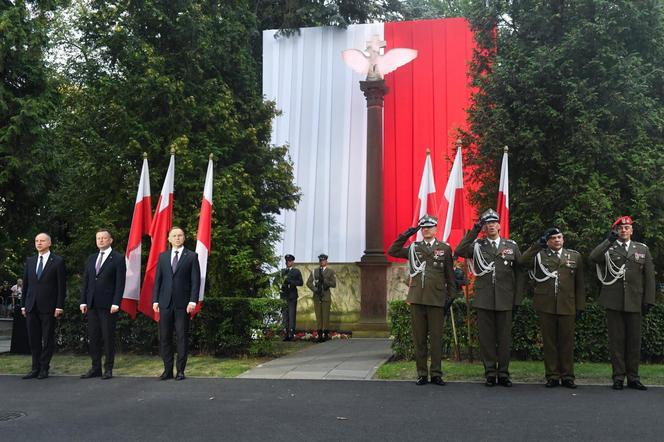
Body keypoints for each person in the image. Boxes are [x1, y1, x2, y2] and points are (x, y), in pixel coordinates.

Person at [455, 209, 523, 387]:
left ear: (499, 225)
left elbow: (519, 273)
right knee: (486, 339)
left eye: (494, 222)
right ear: (484, 227)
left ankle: (504, 373)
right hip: (484, 299)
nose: (491, 225)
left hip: (505, 299)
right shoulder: (478, 245)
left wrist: (517, 299)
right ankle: (490, 373)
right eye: (488, 223)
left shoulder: (511, 246)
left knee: (504, 338)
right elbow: (460, 249)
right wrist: (474, 230)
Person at [388, 215, 457, 386]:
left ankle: (436, 374)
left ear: (435, 229)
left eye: (429, 227)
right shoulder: (413, 247)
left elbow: (450, 275)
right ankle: (421, 374)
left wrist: (451, 297)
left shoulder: (444, 248)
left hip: (436, 299)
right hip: (417, 298)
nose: (426, 229)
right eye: (423, 227)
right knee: (419, 339)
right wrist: (405, 235)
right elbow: (392, 251)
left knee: (436, 339)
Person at [589, 216, 655, 391]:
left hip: (635, 301)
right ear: (616, 231)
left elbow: (649, 277)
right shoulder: (609, 248)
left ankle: (633, 377)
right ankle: (618, 377)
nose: (624, 230)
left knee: (634, 341)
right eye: (620, 228)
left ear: (632, 230)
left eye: (627, 227)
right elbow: (593, 257)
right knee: (616, 341)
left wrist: (649, 300)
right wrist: (608, 241)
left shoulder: (642, 249)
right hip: (614, 300)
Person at [519, 228, 585, 389]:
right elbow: (522, 261)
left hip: (567, 304)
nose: (557, 240)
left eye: (560, 237)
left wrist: (580, 306)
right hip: (546, 305)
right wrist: (537, 246)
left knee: (567, 343)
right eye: (553, 238)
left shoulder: (574, 256)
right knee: (549, 343)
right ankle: (552, 375)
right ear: (547, 241)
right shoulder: (540, 255)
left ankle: (568, 376)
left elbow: (580, 284)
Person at [152, 227, 200, 380]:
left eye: (180, 235)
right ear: (169, 239)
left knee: (181, 337)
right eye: (174, 235)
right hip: (165, 303)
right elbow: (158, 280)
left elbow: (195, 281)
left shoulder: (192, 256)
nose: (177, 238)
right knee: (165, 337)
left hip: (183, 304)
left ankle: (180, 370)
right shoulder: (163, 257)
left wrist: (193, 300)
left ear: (184, 238)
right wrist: (155, 300)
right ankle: (167, 370)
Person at [79, 229, 126, 380]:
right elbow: (86, 281)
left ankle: (108, 369)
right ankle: (95, 368)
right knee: (93, 337)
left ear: (110, 240)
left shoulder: (118, 258)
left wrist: (116, 302)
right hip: (92, 304)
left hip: (108, 305)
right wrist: (83, 301)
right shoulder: (91, 258)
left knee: (108, 337)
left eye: (104, 238)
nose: (100, 240)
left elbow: (120, 283)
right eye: (98, 238)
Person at [21, 232, 67, 379]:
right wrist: (23, 305)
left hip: (49, 307)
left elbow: (61, 286)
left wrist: (59, 306)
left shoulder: (58, 261)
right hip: (31, 306)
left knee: (47, 339)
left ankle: (44, 368)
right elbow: (26, 285)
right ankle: (35, 368)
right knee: (33, 339)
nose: (39, 243)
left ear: (49, 243)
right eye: (36, 241)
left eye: (42, 241)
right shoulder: (30, 261)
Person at [306, 253, 336, 342]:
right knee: (318, 316)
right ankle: (319, 335)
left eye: (323, 260)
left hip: (326, 296)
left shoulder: (330, 271)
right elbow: (309, 282)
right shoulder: (315, 271)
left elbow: (334, 284)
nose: (322, 262)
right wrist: (315, 290)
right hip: (317, 296)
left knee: (325, 316)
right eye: (320, 260)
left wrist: (325, 281)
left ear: (326, 261)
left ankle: (325, 334)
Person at [280, 254, 303, 341]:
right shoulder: (282, 271)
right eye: (287, 261)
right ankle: (286, 334)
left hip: (292, 296)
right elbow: (278, 281)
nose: (288, 262)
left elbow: (300, 282)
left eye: (289, 261)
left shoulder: (296, 271)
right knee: (285, 316)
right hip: (284, 295)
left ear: (293, 262)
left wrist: (291, 282)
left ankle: (291, 334)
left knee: (291, 315)